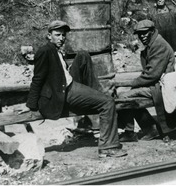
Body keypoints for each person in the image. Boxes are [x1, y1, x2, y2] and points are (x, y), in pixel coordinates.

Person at [24, 20, 127, 158]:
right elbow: (37, 79)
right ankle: (108, 147)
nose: (61, 38)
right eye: (57, 35)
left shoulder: (56, 51)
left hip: (70, 86)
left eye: (63, 35)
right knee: (107, 102)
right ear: (49, 36)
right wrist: (30, 105)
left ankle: (97, 100)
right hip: (65, 92)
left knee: (83, 55)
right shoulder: (45, 51)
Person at [110, 20, 176, 142]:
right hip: (157, 83)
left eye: (145, 33)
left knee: (123, 97)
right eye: (139, 34)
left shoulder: (159, 45)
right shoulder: (152, 44)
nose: (142, 36)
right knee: (130, 94)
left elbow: (152, 75)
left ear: (152, 31)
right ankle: (149, 128)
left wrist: (128, 83)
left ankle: (132, 132)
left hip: (162, 86)